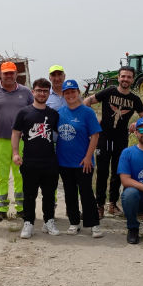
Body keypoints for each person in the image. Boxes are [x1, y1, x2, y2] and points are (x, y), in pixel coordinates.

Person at [83, 66, 143, 218]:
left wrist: (136, 124)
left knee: (118, 172)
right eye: (123, 76)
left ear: (132, 79)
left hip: (121, 138)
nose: (125, 79)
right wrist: (94, 120)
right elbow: (87, 102)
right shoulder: (109, 92)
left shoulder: (134, 99)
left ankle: (113, 203)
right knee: (102, 172)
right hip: (104, 137)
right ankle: (99, 205)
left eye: (129, 77)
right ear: (118, 78)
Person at [11, 78, 61, 239]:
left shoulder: (53, 115)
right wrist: (15, 153)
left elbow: (62, 134)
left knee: (48, 194)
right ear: (33, 92)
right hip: (30, 161)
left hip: (49, 161)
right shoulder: (23, 112)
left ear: (49, 93)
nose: (42, 93)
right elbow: (16, 133)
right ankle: (29, 223)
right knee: (29, 194)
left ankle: (49, 221)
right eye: (39, 90)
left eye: (45, 91)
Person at [0, 61, 33, 222]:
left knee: (21, 176)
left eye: (12, 73)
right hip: (0, 140)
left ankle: (21, 208)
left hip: (21, 141)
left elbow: (34, 113)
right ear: (1, 74)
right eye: (6, 73)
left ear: (16, 74)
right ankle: (1, 209)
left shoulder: (26, 92)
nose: (9, 76)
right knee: (1, 176)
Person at [56, 79, 103, 238]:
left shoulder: (87, 112)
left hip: (83, 162)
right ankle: (74, 222)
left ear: (78, 93)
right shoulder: (60, 112)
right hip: (64, 161)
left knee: (86, 192)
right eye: (66, 92)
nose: (70, 94)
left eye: (73, 91)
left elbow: (95, 135)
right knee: (69, 193)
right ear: (63, 95)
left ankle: (94, 224)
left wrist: (88, 157)